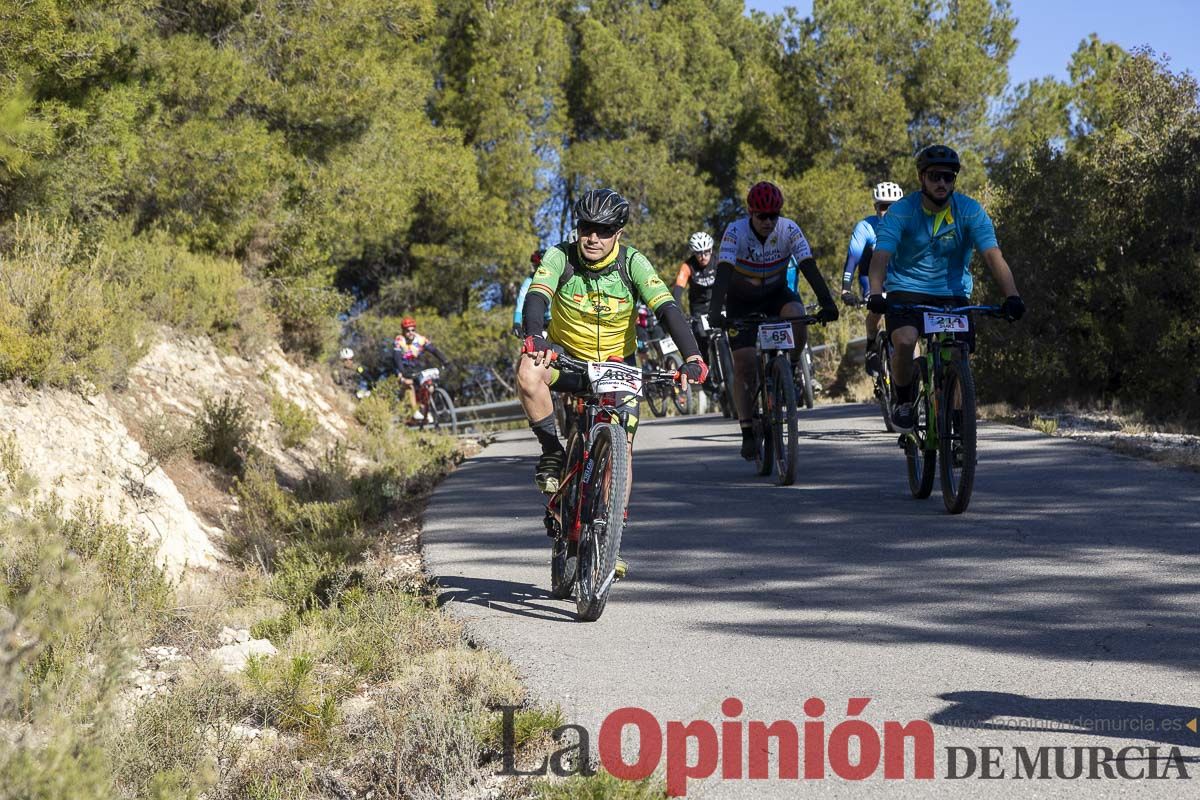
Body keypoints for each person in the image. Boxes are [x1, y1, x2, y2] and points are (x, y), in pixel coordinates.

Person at [517, 188, 708, 497]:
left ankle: (610, 533)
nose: (593, 237)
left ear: (618, 233)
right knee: (528, 369)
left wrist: (693, 357)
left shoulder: (633, 262)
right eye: (586, 228)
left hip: (617, 366)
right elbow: (537, 295)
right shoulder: (560, 256)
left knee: (623, 451)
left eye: (604, 230)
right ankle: (552, 450)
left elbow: (666, 308)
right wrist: (536, 336)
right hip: (567, 362)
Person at [865, 145, 1025, 432]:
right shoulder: (902, 211)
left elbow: (993, 256)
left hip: (952, 294)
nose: (942, 183)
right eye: (935, 176)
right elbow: (880, 258)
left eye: (948, 177)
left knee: (958, 353)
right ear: (921, 178)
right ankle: (903, 400)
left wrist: (1012, 295)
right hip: (906, 288)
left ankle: (957, 422)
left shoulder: (970, 211)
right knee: (903, 341)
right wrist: (876, 293)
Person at [707, 181, 839, 459]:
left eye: (773, 216)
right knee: (743, 366)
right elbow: (723, 273)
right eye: (762, 216)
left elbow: (808, 266)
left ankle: (790, 369)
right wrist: (715, 311)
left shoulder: (789, 229)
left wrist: (828, 303)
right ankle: (746, 429)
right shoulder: (735, 231)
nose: (768, 222)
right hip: (740, 300)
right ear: (750, 213)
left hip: (776, 294)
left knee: (798, 319)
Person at [841, 181, 904, 375]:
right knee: (876, 308)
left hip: (899, 278)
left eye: (894, 206)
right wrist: (845, 289)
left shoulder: (908, 224)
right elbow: (853, 259)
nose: (888, 211)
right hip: (870, 276)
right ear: (876, 207)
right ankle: (871, 344)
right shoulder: (865, 227)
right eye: (883, 206)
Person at [672, 232, 717, 377]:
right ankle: (706, 372)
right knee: (701, 338)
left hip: (719, 304)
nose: (703, 256)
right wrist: (678, 313)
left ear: (711, 250)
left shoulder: (719, 261)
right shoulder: (688, 266)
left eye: (706, 252)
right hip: (699, 309)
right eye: (698, 253)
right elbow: (678, 291)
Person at [393, 316, 452, 421]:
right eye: (407, 331)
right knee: (409, 383)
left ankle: (426, 409)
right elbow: (396, 358)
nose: (410, 333)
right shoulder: (399, 340)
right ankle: (414, 410)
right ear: (403, 331)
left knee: (430, 386)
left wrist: (446, 361)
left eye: (413, 330)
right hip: (402, 368)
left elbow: (434, 351)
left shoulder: (421, 339)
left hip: (416, 367)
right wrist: (402, 371)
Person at [513, 249, 550, 337]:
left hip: (553, 321)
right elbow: (521, 302)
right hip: (536, 321)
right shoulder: (529, 281)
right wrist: (517, 323)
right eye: (537, 266)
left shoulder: (556, 278)